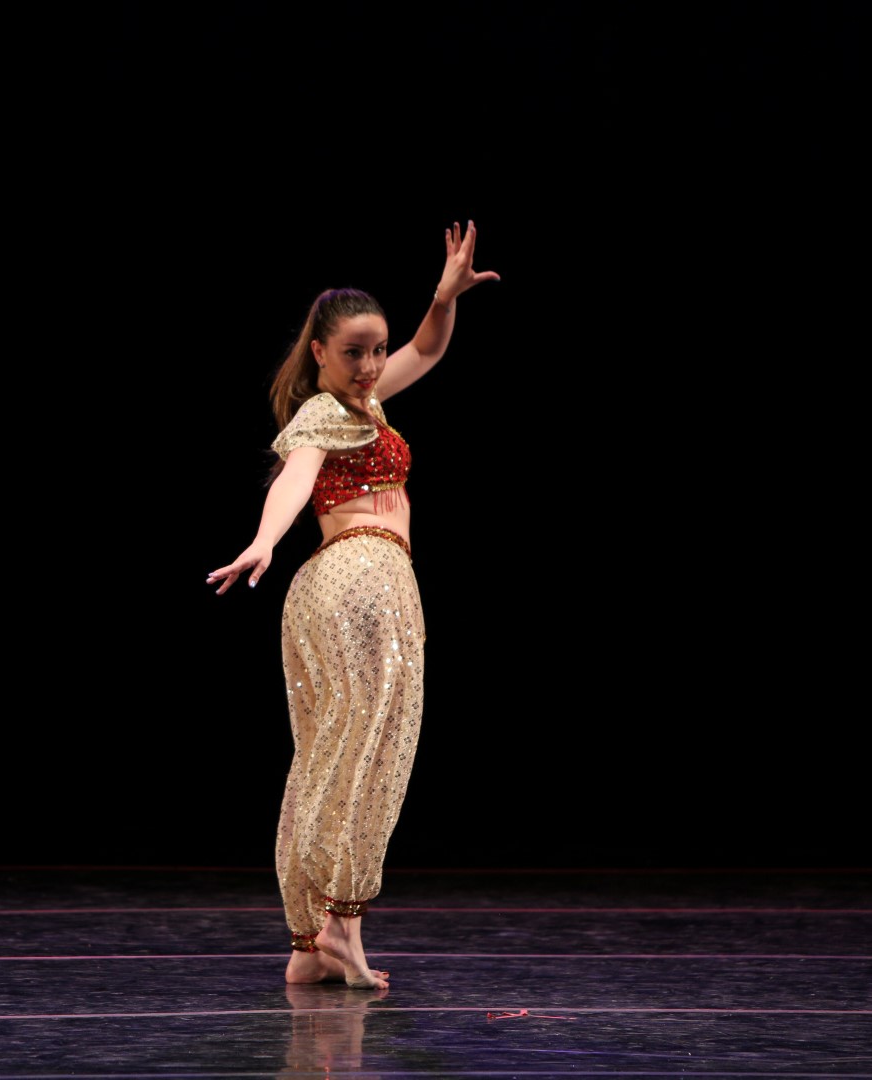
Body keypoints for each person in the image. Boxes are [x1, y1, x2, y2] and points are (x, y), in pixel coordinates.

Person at [206, 221, 499, 990]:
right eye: (354, 353)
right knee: (374, 744)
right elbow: (296, 477)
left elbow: (426, 351)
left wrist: (443, 297)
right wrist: (263, 540)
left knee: (333, 748)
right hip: (363, 576)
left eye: (376, 350)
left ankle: (309, 945)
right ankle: (340, 924)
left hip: (333, 587)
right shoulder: (320, 414)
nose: (370, 366)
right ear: (319, 353)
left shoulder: (363, 404)